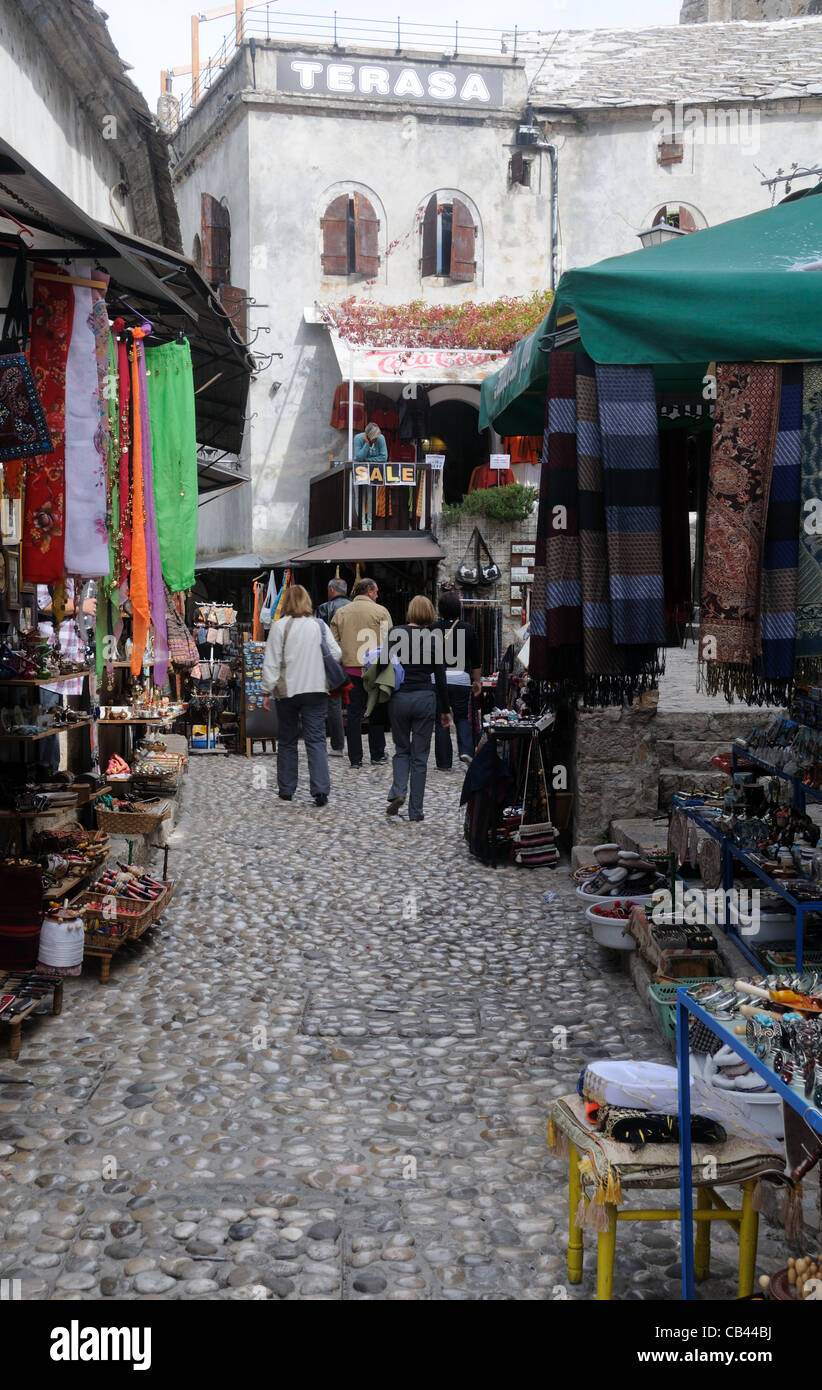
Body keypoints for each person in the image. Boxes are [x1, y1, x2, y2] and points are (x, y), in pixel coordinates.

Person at [261, 585, 342, 807]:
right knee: (316, 739)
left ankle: (287, 789)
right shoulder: (319, 625)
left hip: (287, 691)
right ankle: (320, 790)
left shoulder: (279, 627)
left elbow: (272, 661)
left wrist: (266, 690)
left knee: (287, 740)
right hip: (316, 689)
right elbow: (337, 653)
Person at [385, 595, 451, 822]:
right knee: (420, 757)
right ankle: (416, 811)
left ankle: (399, 791)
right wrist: (445, 710)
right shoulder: (434, 639)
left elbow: (383, 663)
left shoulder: (395, 633)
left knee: (401, 749)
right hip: (425, 698)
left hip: (400, 697)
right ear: (430, 613)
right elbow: (441, 678)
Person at [331, 577, 392, 768]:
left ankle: (355, 758)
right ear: (369, 592)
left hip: (350, 670)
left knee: (353, 714)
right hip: (374, 670)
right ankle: (377, 753)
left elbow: (334, 644)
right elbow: (388, 640)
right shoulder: (381, 611)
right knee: (376, 712)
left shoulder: (341, 613)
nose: (377, 595)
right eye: (375, 592)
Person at [432, 589, 482, 770]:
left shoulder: (433, 629)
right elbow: (476, 660)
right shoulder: (468, 629)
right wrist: (477, 681)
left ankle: (444, 762)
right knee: (462, 718)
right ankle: (466, 751)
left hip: (438, 680)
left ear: (440, 609)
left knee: (441, 719)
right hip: (460, 679)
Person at [316, 578, 350, 758]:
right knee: (343, 705)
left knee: (328, 704)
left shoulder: (324, 608)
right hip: (353, 660)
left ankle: (322, 743)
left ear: (331, 589)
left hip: (330, 662)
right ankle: (340, 744)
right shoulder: (353, 607)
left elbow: (320, 639)